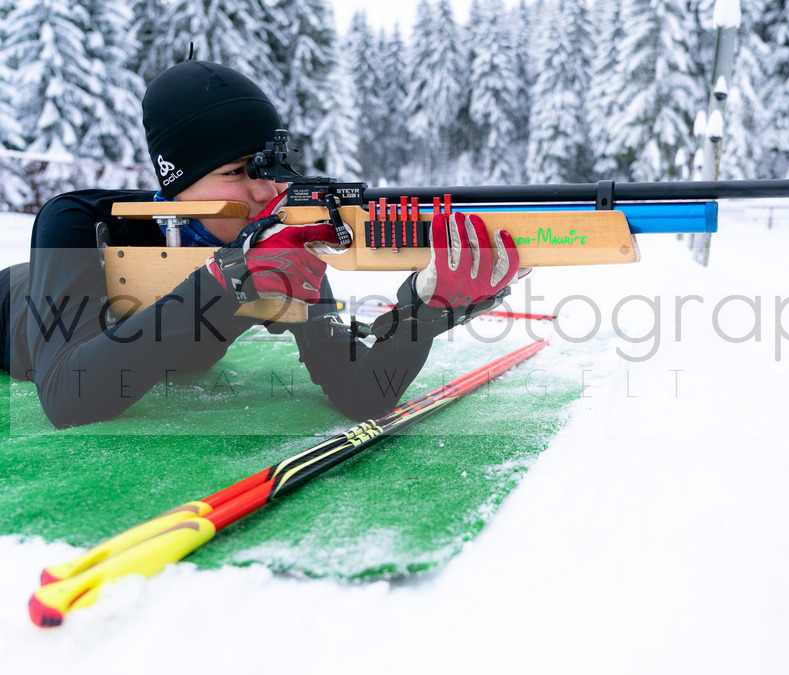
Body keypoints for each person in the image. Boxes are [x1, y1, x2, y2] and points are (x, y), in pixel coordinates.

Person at [0, 59, 521, 428]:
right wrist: (227, 281)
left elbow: (361, 391)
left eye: (271, 167)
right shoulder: (78, 219)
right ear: (176, 183)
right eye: (236, 171)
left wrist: (424, 311)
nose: (267, 190)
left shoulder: (276, 240)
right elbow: (68, 397)